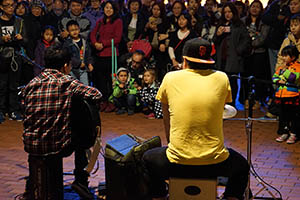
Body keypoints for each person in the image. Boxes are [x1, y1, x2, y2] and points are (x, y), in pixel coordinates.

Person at [142, 38, 250, 200]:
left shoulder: (170, 78)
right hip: (215, 163)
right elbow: (221, 108)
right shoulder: (222, 78)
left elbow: (166, 118)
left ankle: (160, 195)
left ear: (184, 61)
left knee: (147, 159)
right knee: (242, 167)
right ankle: (230, 197)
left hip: (176, 162)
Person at [20, 44, 102, 199]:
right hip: (55, 146)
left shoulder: (31, 83)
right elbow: (96, 94)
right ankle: (81, 180)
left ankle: (32, 185)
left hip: (31, 144)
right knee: (83, 135)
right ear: (65, 65)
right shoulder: (66, 81)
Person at [90, 0, 122, 112]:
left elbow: (118, 38)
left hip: (111, 54)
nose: (108, 10)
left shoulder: (118, 22)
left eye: (111, 8)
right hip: (99, 54)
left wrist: (103, 43)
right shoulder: (99, 21)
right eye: (106, 7)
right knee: (100, 80)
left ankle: (111, 101)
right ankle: (103, 101)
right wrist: (95, 44)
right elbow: (92, 34)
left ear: (114, 10)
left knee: (111, 80)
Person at [0, 0, 27, 123]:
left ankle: (13, 110)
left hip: (15, 57)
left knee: (14, 85)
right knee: (2, 84)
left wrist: (21, 38)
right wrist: (2, 39)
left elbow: (26, 40)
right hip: (2, 56)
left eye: (12, 5)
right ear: (1, 7)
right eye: (7, 5)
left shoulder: (19, 21)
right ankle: (1, 110)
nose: (11, 8)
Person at [273, 45, 300, 144]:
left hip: (293, 96)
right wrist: (278, 80)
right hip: (281, 96)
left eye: (286, 56)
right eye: (283, 56)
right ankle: (284, 132)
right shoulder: (281, 67)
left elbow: (293, 78)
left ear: (293, 57)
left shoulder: (297, 67)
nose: (283, 58)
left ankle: (293, 134)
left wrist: (285, 72)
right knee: (283, 116)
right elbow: (275, 77)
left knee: (293, 116)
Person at [63, 20, 93, 85]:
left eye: (76, 29)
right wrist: (79, 63)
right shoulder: (68, 43)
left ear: (79, 29)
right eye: (72, 30)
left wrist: (89, 63)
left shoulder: (84, 41)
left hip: (83, 69)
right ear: (68, 32)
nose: (74, 31)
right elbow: (68, 56)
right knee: (74, 87)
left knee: (85, 87)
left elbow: (88, 54)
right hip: (72, 70)